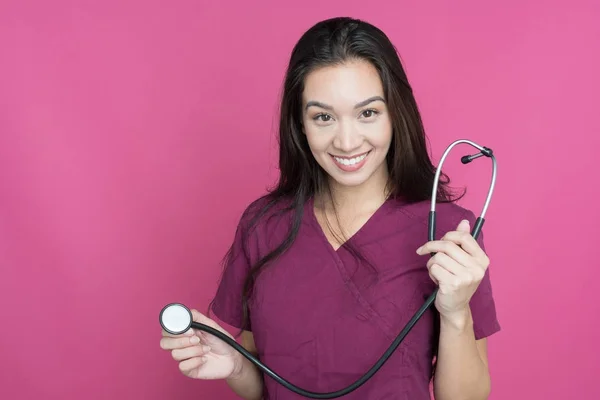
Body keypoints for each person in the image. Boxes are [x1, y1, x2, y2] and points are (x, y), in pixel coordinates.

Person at [159, 16, 501, 400]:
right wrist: (237, 364)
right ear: (300, 125)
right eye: (323, 117)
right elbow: (267, 383)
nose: (347, 140)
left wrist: (456, 313)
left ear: (395, 114)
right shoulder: (263, 226)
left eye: (368, 113)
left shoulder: (451, 234)